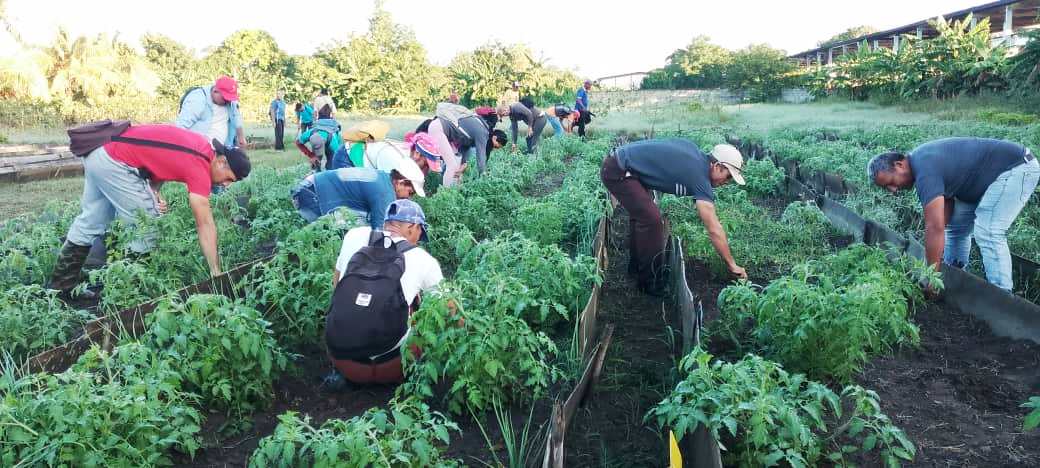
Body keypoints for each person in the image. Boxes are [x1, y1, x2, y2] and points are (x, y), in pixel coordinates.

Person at [49, 125, 251, 294]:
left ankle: (61, 288)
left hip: (100, 153)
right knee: (147, 227)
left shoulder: (201, 147)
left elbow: (163, 156)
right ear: (222, 162)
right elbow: (205, 223)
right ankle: (130, 291)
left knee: (92, 219)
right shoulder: (200, 167)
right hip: (115, 160)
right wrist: (216, 271)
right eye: (229, 179)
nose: (226, 185)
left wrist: (153, 191)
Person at [867, 137, 1040, 292]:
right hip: (982, 181)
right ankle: (953, 273)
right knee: (957, 228)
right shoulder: (922, 162)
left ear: (899, 165)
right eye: (886, 188)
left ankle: (1003, 296)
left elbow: (934, 227)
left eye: (891, 182)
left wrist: (930, 276)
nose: (893, 190)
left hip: (1016, 168)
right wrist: (936, 257)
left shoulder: (924, 170)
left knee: (988, 231)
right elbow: (944, 212)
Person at [601, 139, 748, 295]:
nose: (727, 182)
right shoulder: (698, 175)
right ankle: (650, 282)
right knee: (652, 221)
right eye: (728, 176)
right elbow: (714, 229)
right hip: (619, 171)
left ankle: (637, 267)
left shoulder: (696, 160)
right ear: (717, 166)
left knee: (643, 215)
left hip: (623, 167)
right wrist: (732, 264)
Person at [324, 199, 442, 385]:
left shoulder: (353, 236)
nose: (419, 241)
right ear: (412, 227)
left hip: (344, 363)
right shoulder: (423, 259)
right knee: (422, 311)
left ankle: (337, 373)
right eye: (420, 233)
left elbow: (336, 286)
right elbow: (449, 312)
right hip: (391, 368)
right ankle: (412, 382)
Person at [290, 157, 426, 227]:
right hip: (311, 194)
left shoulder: (383, 178)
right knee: (324, 239)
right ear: (400, 182)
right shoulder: (385, 193)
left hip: (309, 188)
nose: (410, 198)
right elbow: (379, 232)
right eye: (411, 192)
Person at [176, 76, 246, 149]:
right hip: (198, 151)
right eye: (225, 98)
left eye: (230, 98)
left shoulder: (230, 100)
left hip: (223, 150)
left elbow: (236, 116)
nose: (228, 101)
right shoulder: (197, 99)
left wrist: (241, 137)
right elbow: (181, 127)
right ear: (215, 91)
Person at [334, 131, 443, 176]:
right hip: (347, 158)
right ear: (417, 154)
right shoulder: (395, 160)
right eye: (426, 165)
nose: (425, 170)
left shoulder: (406, 158)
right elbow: (385, 189)